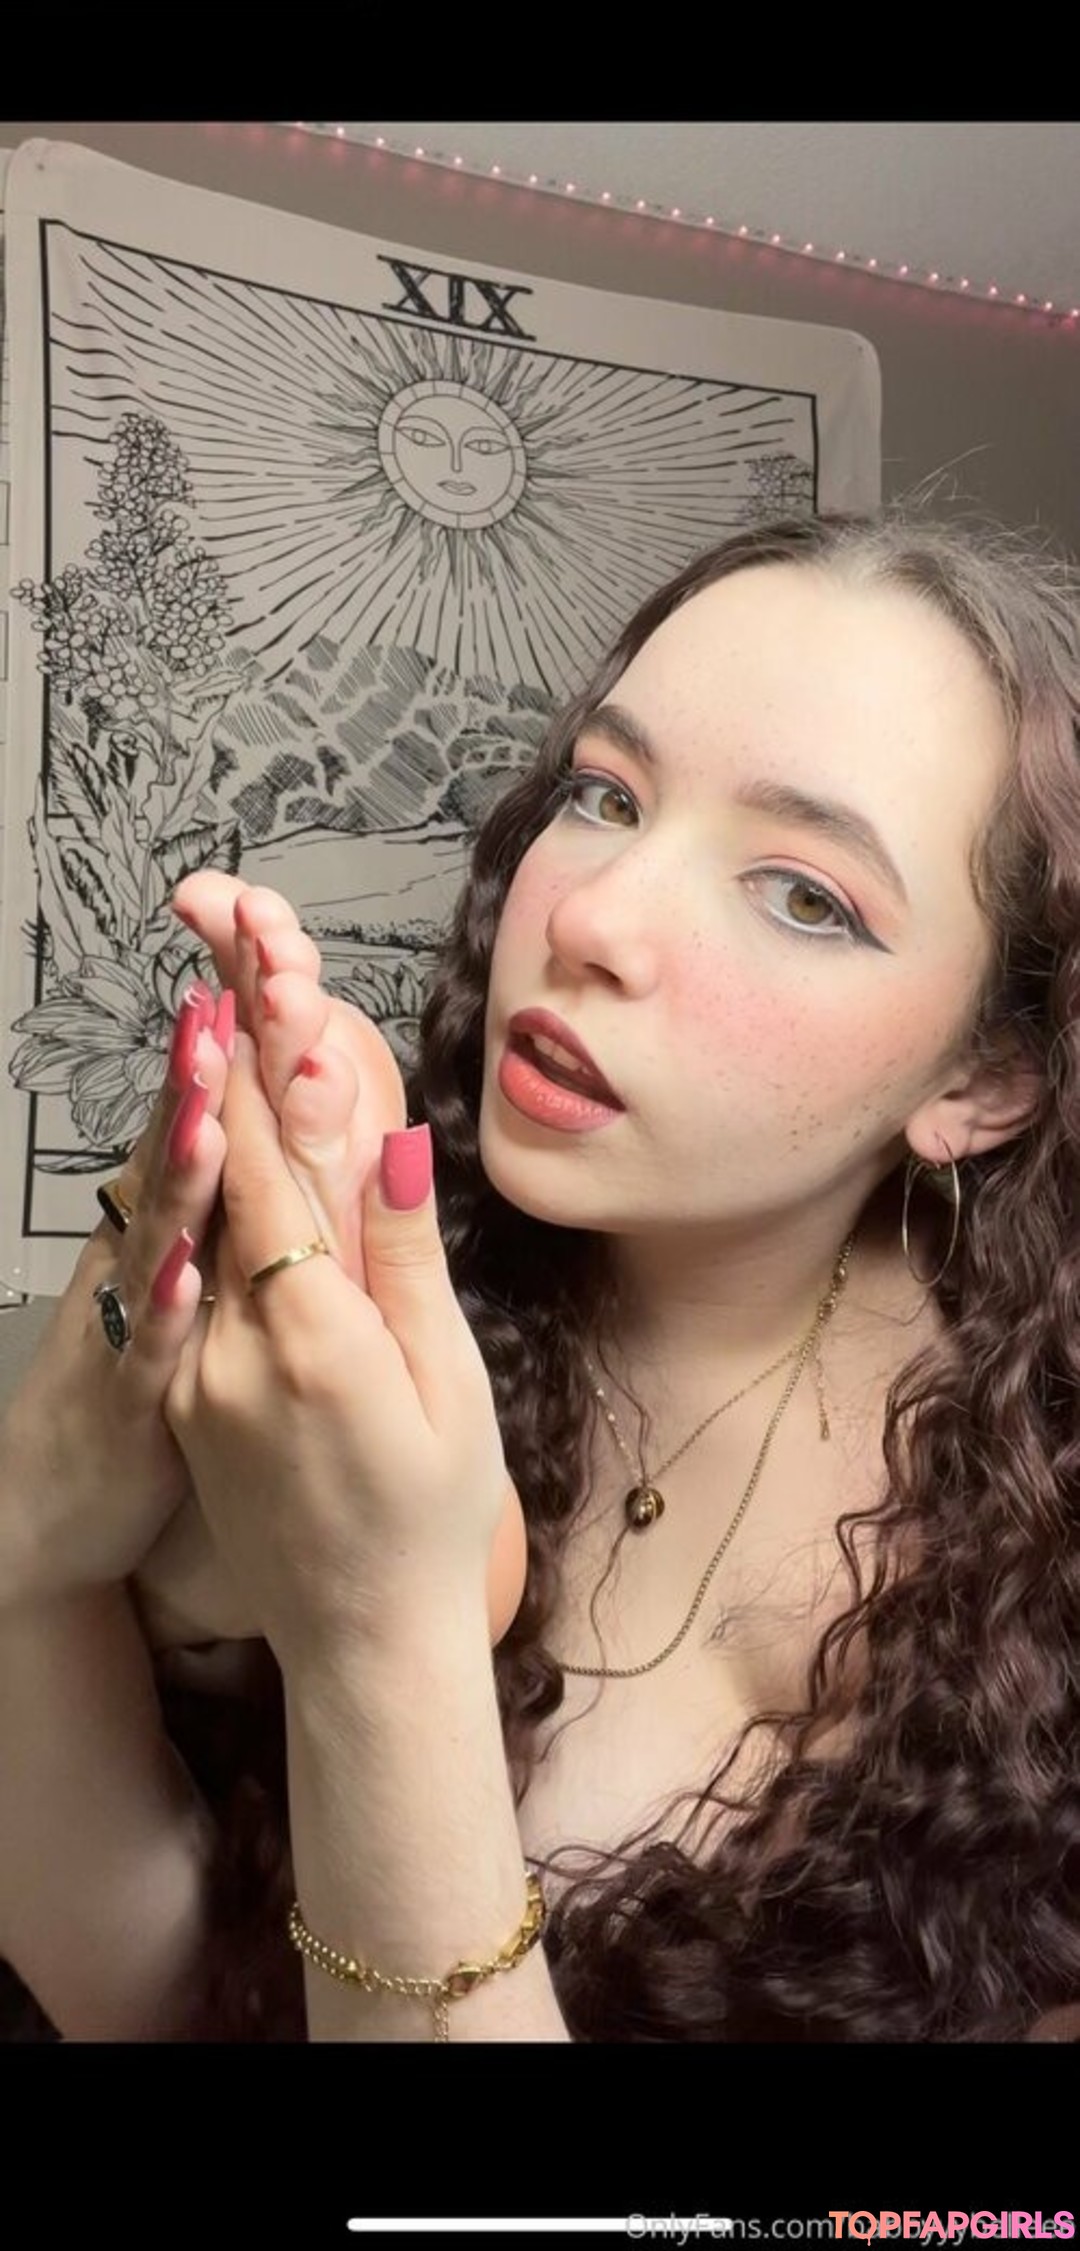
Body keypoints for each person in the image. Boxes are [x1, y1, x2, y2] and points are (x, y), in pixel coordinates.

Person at [2, 504, 1079, 2042]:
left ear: (984, 1079)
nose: (591, 918)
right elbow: (166, 2000)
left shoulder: (1040, 1579)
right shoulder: (412, 1277)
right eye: (605, 794)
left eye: (805, 895)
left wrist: (382, 1638)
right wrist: (39, 1558)